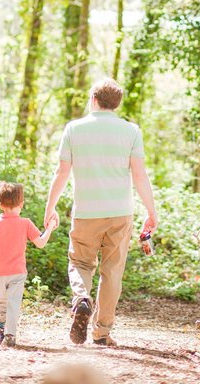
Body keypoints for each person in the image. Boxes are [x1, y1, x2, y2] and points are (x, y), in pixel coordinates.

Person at [43, 78, 158, 348]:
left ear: (93, 98)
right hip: (121, 212)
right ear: (116, 103)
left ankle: (81, 299)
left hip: (85, 212)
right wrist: (151, 212)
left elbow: (62, 172)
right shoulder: (131, 130)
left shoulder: (74, 128)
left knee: (80, 263)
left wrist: (50, 208)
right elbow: (140, 175)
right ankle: (102, 332)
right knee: (112, 272)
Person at [0, 181, 54, 347]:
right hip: (17, 272)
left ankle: (4, 332)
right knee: (13, 304)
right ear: (21, 204)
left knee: (1, 302)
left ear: (0, 204)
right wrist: (50, 228)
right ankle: (9, 335)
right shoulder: (25, 223)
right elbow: (40, 243)